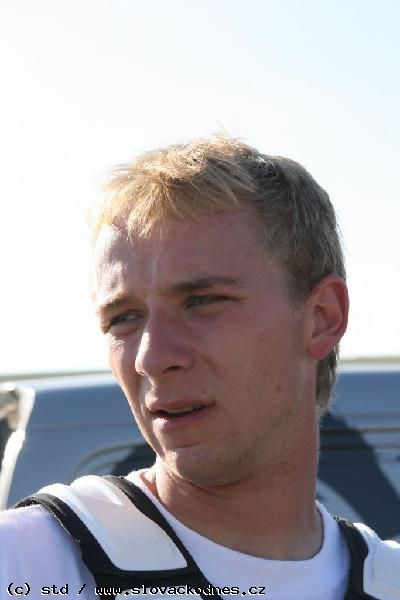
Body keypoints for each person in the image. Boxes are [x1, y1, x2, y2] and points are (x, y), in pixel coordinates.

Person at [0, 135, 398, 600]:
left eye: (203, 301)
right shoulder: (24, 563)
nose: (151, 358)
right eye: (123, 318)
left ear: (323, 318)